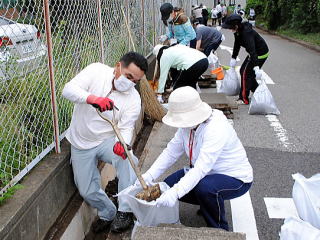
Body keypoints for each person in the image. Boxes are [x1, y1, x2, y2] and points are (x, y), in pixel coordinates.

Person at [137, 86, 253, 230]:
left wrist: (176, 192)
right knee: (168, 185)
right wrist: (149, 175)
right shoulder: (188, 126)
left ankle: (220, 230)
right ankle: (207, 203)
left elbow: (200, 168)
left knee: (205, 189)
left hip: (235, 177)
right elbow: (171, 152)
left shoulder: (216, 128)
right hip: (207, 174)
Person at [62, 52, 148, 233]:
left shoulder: (133, 98)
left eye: (135, 81)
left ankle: (124, 210)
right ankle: (108, 212)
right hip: (81, 142)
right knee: (86, 190)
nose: (130, 83)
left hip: (105, 140)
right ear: (118, 66)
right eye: (128, 76)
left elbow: (125, 127)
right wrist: (92, 99)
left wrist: (121, 143)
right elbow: (68, 89)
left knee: (128, 159)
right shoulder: (96, 71)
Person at [222, 14, 269, 105]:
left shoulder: (246, 33)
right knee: (244, 72)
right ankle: (257, 92)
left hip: (259, 54)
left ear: (236, 25)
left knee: (245, 73)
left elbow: (252, 50)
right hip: (255, 53)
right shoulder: (238, 31)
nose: (229, 29)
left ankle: (244, 98)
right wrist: (233, 58)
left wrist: (256, 67)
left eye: (230, 27)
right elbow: (237, 44)